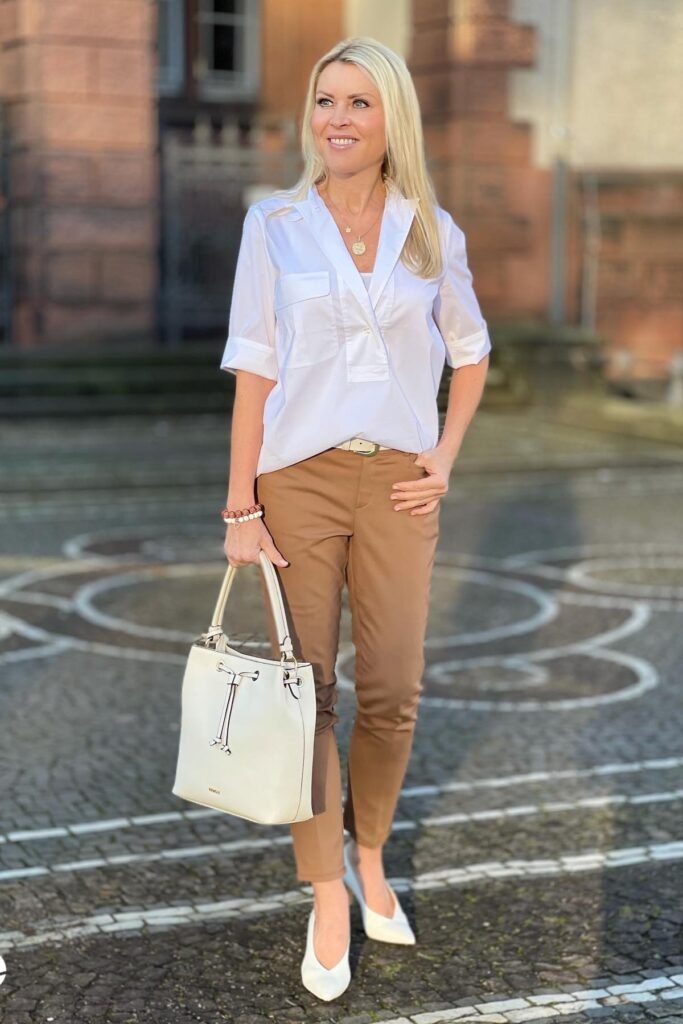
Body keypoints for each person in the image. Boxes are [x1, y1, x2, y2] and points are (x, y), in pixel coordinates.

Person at [220, 36, 490, 1003]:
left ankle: (369, 851)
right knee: (306, 693)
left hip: (399, 484)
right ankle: (327, 889)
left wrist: (442, 460)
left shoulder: (431, 231)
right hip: (297, 480)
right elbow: (254, 369)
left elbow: (470, 351)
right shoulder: (275, 224)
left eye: (358, 102)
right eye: (325, 100)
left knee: (393, 686)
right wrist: (240, 503)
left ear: (390, 120)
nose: (336, 118)